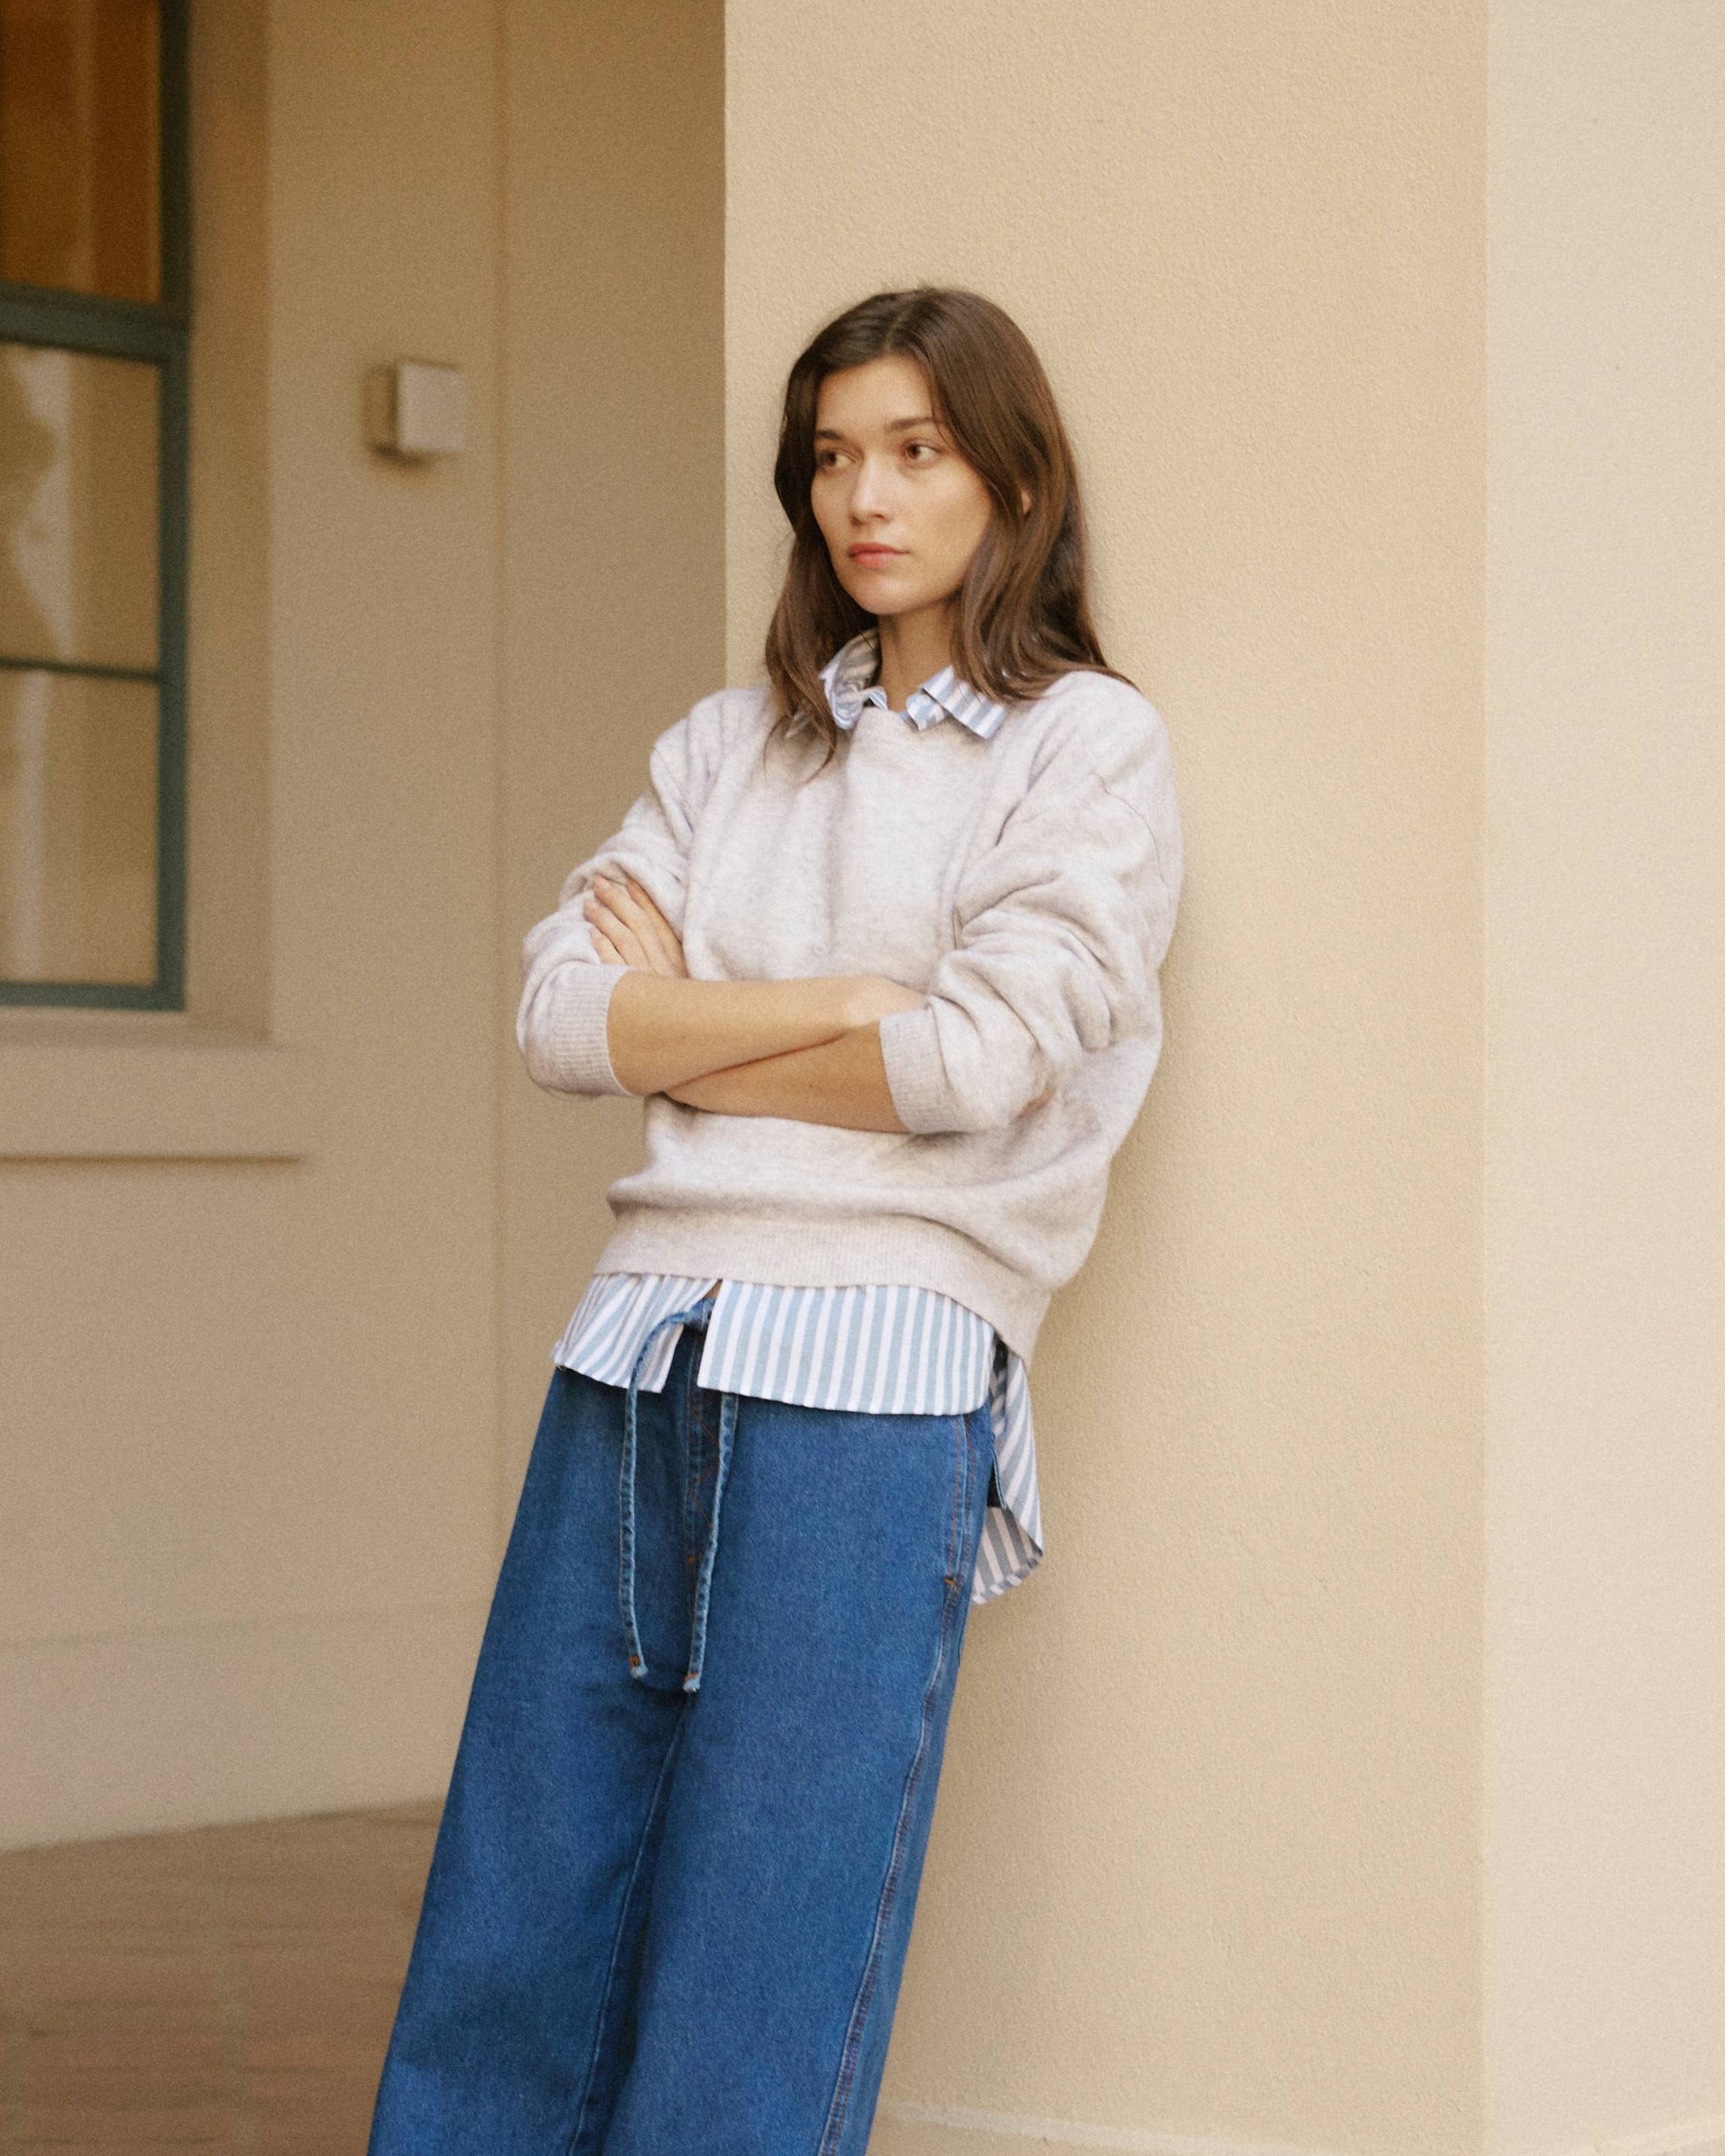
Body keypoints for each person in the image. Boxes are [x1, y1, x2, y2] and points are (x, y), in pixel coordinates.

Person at [365, 284, 1184, 2154]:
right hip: (637, 1350)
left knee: (766, 1952)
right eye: (831, 456)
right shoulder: (729, 744)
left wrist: (696, 1042)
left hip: (874, 1378)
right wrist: (843, 1010)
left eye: (915, 451)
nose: (862, 498)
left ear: (1017, 479)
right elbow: (562, 1016)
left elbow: (982, 1062)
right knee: (511, 1918)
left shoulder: (1086, 752)